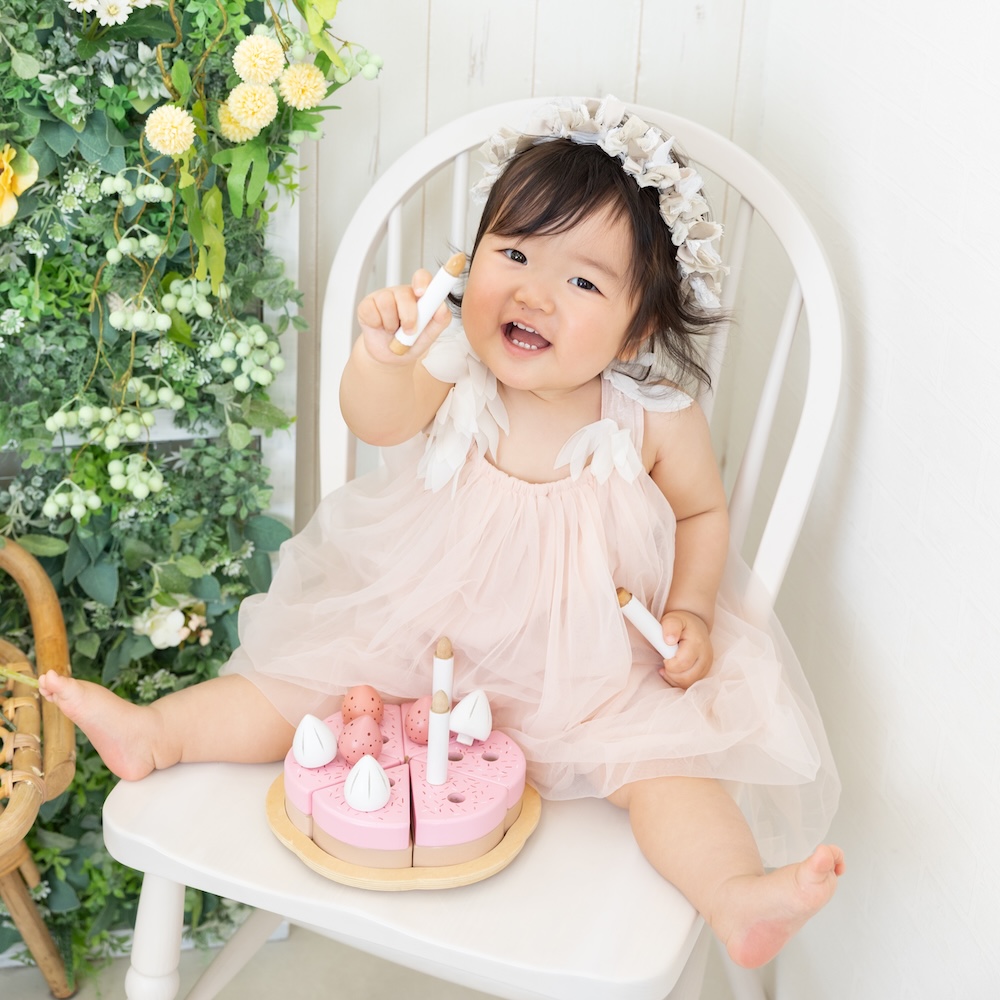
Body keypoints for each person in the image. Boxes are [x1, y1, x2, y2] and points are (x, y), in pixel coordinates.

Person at [40, 97, 843, 968]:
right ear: (473, 257)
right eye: (514, 252)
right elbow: (376, 420)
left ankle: (733, 893)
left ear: (638, 326)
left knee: (668, 772)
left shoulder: (653, 416)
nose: (532, 292)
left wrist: (690, 608)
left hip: (591, 671)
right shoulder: (454, 364)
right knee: (301, 685)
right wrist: (383, 358)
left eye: (582, 282)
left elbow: (700, 512)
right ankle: (158, 732)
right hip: (423, 638)